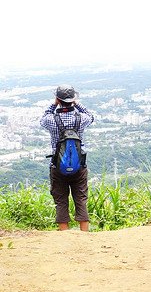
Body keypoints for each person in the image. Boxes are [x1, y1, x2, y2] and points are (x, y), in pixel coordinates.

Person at [40, 85, 94, 231]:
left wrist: (54, 104)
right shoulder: (81, 118)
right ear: (72, 100)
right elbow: (91, 116)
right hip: (79, 167)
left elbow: (43, 119)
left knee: (61, 201)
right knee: (81, 200)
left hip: (57, 167)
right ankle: (85, 235)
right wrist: (77, 103)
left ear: (58, 99)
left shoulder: (51, 120)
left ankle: (66, 238)